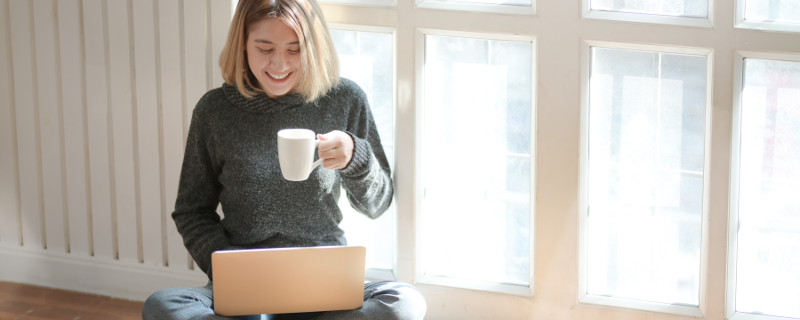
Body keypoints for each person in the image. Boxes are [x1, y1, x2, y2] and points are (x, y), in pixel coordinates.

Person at [141, 0, 426, 319]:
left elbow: (379, 203)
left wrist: (355, 157)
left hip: (324, 282)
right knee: (163, 305)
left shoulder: (345, 99)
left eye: (295, 49)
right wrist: (230, 269)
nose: (279, 64)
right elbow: (191, 210)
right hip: (245, 284)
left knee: (403, 302)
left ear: (315, 47)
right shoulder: (214, 111)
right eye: (265, 48)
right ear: (243, 44)